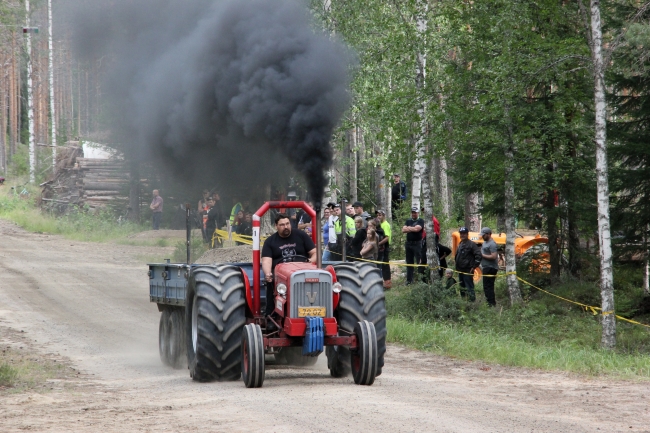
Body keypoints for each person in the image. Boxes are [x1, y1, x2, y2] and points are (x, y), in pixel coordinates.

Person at [262, 213, 316, 318]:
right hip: (281, 276)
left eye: (287, 223)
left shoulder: (301, 235)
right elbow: (267, 261)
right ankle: (271, 316)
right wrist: (268, 273)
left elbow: (315, 253)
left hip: (303, 270)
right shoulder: (270, 241)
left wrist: (310, 261)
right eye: (282, 225)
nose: (286, 227)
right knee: (270, 282)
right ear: (276, 226)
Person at [454, 226, 482, 301]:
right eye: (461, 233)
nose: (462, 235)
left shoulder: (472, 244)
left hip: (468, 270)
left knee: (469, 287)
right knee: (462, 287)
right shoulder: (460, 244)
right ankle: (464, 302)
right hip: (460, 270)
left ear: (467, 234)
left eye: (464, 234)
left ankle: (472, 302)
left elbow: (478, 255)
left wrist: (474, 267)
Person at [402, 206, 424, 284]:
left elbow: (417, 229)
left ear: (418, 213)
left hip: (417, 244)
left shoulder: (421, 220)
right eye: (412, 212)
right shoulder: (408, 220)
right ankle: (409, 280)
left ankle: (421, 280)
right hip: (408, 243)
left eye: (415, 212)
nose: (413, 214)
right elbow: (403, 230)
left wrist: (409, 228)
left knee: (419, 261)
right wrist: (412, 228)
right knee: (409, 262)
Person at [480, 227, 499, 306]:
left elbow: (494, 256)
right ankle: (489, 302)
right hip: (485, 267)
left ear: (488, 234)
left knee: (489, 286)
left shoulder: (492, 244)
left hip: (491, 268)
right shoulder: (485, 242)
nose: (482, 236)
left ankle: (491, 303)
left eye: (483, 235)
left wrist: (482, 255)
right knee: (486, 286)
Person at [376, 210, 392, 289]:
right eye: (377, 215)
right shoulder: (379, 224)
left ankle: (387, 282)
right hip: (381, 246)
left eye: (380, 215)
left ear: (384, 216)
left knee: (385, 264)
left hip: (385, 246)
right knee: (381, 264)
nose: (378, 217)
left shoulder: (385, 224)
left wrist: (378, 244)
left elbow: (387, 237)